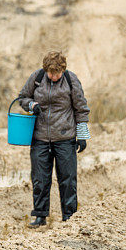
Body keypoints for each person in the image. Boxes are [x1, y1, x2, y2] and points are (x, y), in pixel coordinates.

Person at [18, 51, 90, 227]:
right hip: (40, 137)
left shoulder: (71, 80)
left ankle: (69, 216)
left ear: (63, 70)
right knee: (40, 179)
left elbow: (81, 108)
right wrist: (31, 105)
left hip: (65, 137)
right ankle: (40, 215)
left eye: (57, 73)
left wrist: (82, 135)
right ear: (46, 70)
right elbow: (22, 98)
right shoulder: (37, 77)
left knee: (68, 179)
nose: (54, 76)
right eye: (51, 73)